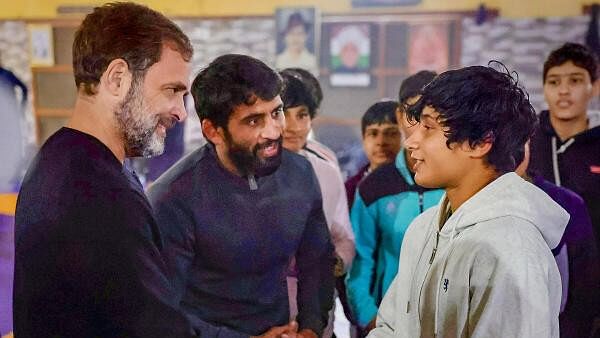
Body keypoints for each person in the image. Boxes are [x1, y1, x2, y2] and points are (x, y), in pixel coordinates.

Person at [13, 3, 200, 337]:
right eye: (172, 91)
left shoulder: (59, 153)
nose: (180, 112)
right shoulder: (99, 194)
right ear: (117, 79)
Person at [369, 63, 569, 338]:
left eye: (428, 128)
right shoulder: (423, 229)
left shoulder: (512, 250)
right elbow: (391, 327)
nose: (410, 142)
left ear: (479, 143)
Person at [146, 54, 335, 338]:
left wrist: (310, 328)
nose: (273, 131)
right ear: (213, 131)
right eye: (253, 121)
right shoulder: (173, 198)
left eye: (276, 112)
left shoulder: (301, 173)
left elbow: (317, 261)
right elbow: (159, 311)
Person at [346, 72, 444, 336]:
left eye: (434, 114)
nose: (424, 123)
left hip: (444, 319)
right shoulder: (374, 186)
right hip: (385, 320)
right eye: (416, 113)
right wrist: (369, 318)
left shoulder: (455, 178)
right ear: (401, 116)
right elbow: (359, 260)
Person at [280, 68, 355, 338]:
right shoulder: (250, 169)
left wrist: (332, 263)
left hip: (317, 313)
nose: (293, 126)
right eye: (283, 114)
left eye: (302, 115)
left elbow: (343, 233)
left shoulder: (325, 168)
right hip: (266, 315)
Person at [516, 142, 600, 338]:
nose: (510, 149)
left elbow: (585, 294)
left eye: (520, 140)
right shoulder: (456, 200)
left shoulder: (566, 203)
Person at [529, 42, 600, 252]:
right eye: (554, 82)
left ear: (594, 87)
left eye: (575, 81)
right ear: (544, 88)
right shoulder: (524, 140)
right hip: (536, 266)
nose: (564, 91)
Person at [344, 102, 402, 209]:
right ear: (363, 139)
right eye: (373, 134)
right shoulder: (350, 190)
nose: (381, 142)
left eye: (391, 133)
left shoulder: (422, 184)